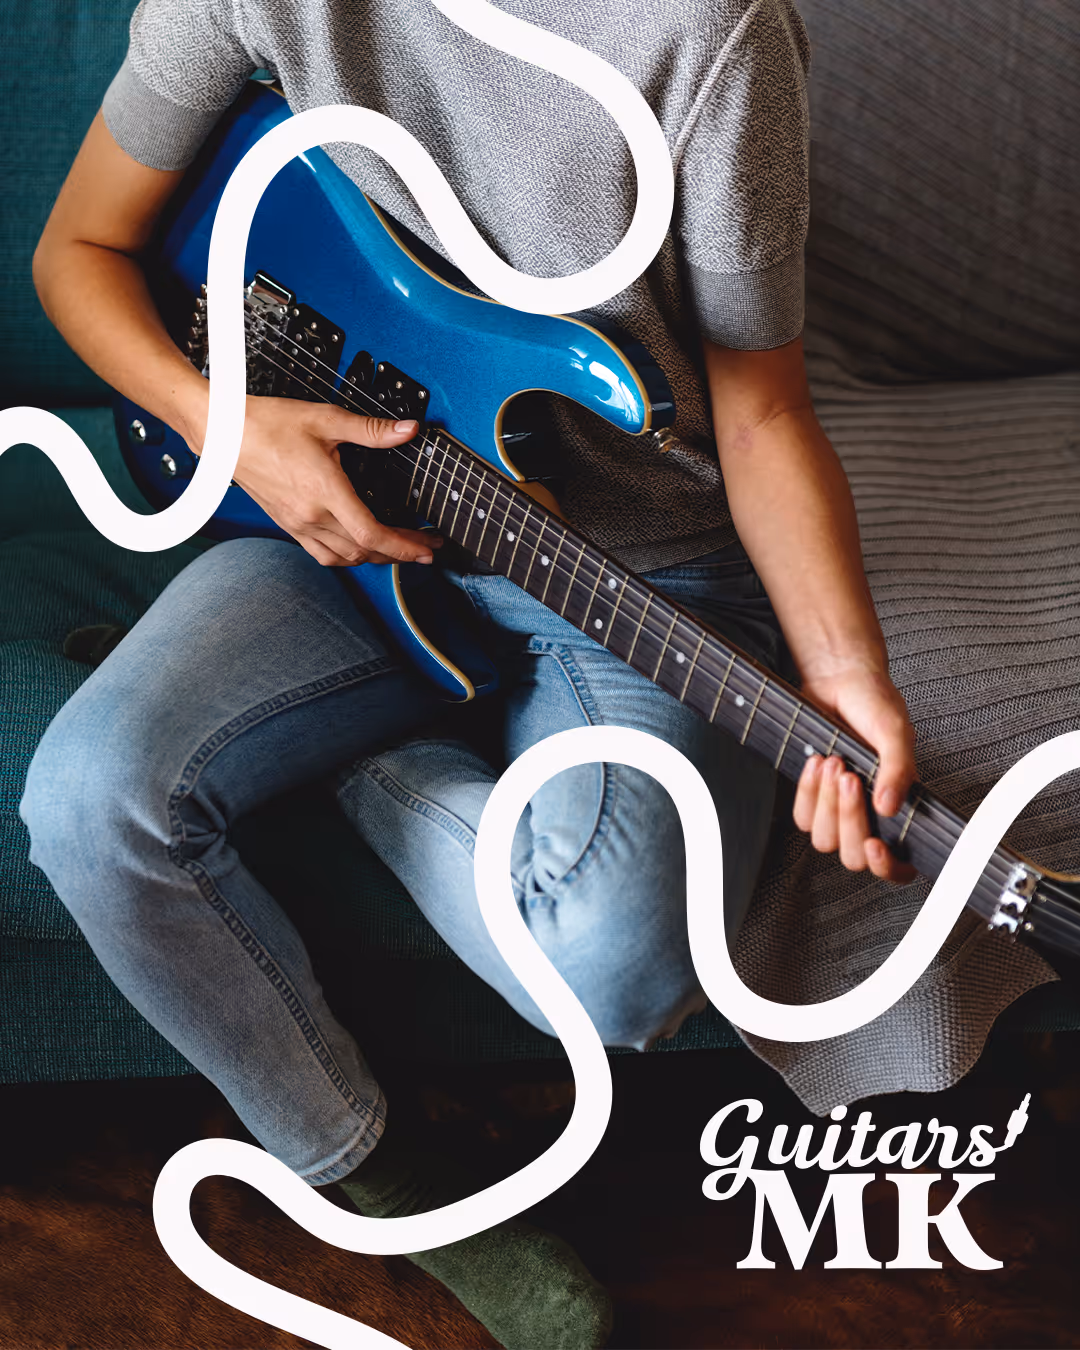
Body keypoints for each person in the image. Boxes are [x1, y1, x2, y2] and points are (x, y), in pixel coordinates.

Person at [20, 0, 917, 1344]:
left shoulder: (713, 32)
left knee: (614, 970)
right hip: (330, 539)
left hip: (631, 568)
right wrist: (233, 428)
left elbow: (761, 405)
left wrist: (843, 670)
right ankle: (378, 1175)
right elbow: (77, 251)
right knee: (88, 801)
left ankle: (353, 762)